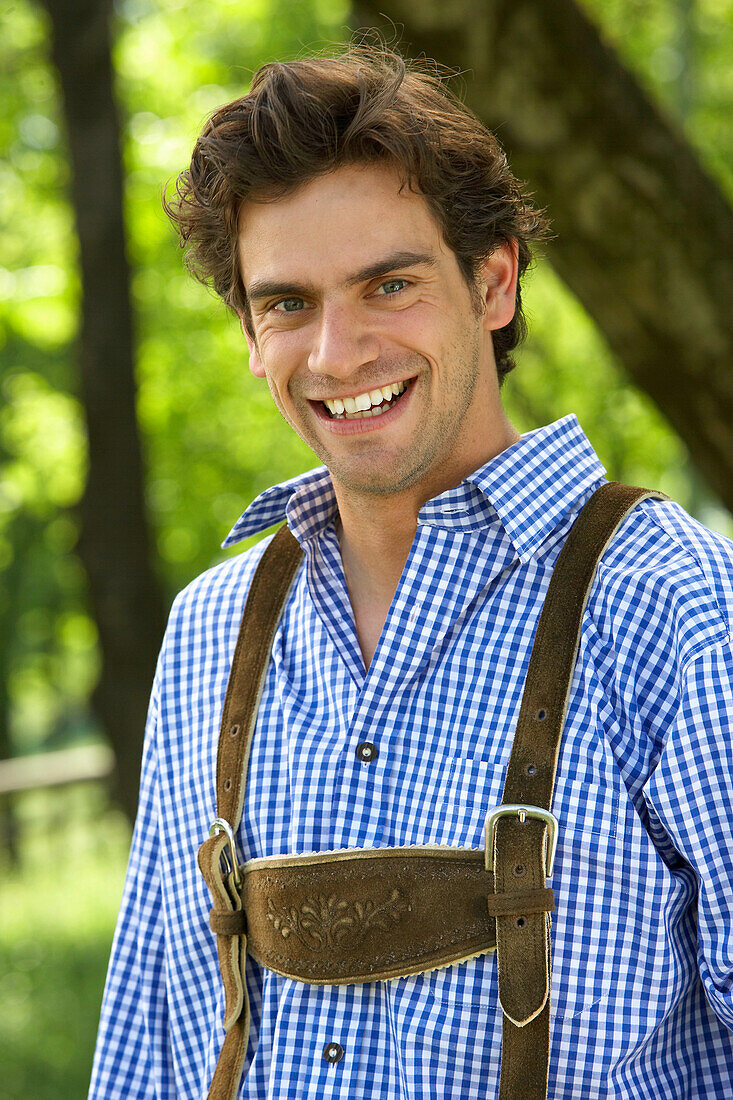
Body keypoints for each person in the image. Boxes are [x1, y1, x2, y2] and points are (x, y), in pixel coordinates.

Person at [88, 43, 733, 1100]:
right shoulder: (211, 631)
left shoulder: (673, 606)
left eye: (388, 284)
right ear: (251, 333)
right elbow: (151, 1043)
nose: (338, 352)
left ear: (492, 279)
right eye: (289, 303)